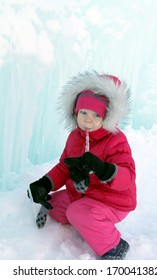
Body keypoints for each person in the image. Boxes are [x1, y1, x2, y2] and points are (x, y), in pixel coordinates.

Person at [28, 71, 137, 260]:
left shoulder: (116, 140)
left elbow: (127, 175)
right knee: (54, 204)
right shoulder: (74, 137)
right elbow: (64, 167)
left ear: (107, 116)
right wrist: (44, 183)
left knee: (77, 211)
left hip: (113, 201)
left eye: (96, 115)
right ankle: (88, 222)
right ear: (75, 112)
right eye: (83, 112)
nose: (88, 119)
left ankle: (115, 247)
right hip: (85, 195)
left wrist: (103, 169)